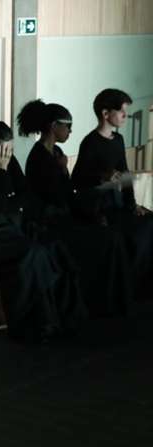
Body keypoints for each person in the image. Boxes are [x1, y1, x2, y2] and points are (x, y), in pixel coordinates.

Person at [0, 118, 85, 341]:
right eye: (3, 150)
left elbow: (25, 196)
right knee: (30, 253)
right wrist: (1, 175)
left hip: (4, 224)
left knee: (53, 247)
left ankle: (62, 316)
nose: (7, 156)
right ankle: (33, 323)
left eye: (10, 150)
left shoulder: (8, 161)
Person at [18, 99, 132, 316]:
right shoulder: (39, 158)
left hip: (63, 216)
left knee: (111, 237)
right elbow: (57, 196)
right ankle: (100, 304)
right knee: (106, 241)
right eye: (67, 125)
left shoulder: (56, 153)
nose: (70, 130)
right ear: (54, 126)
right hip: (48, 223)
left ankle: (113, 302)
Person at [70, 88, 153, 294]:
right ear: (106, 114)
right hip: (99, 209)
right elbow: (77, 181)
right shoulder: (89, 143)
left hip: (117, 204)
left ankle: (140, 286)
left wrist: (133, 205)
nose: (126, 116)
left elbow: (125, 175)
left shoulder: (118, 140)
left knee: (148, 224)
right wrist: (101, 177)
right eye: (122, 111)